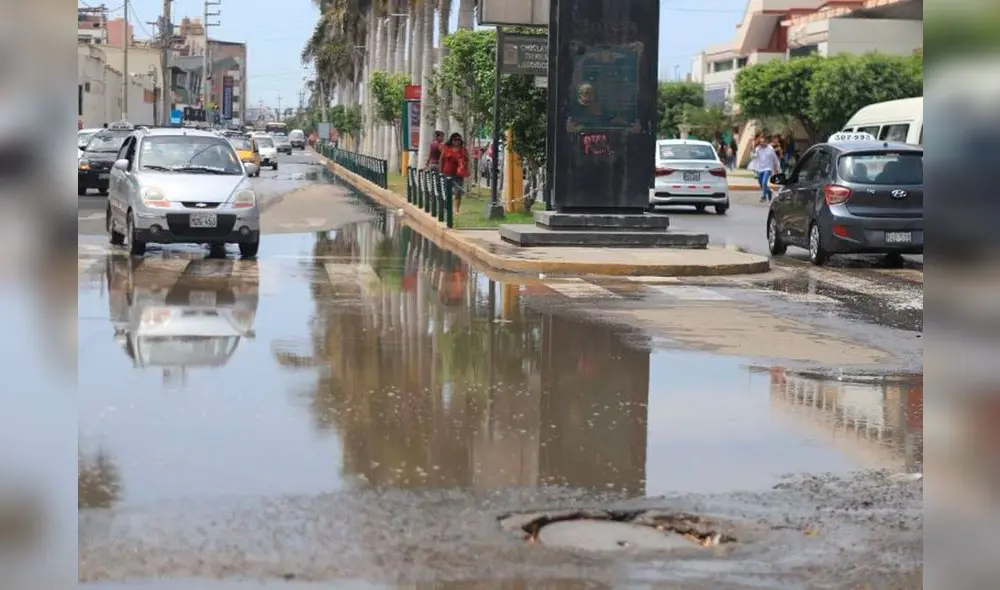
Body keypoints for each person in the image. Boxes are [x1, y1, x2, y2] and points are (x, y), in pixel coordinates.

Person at [439, 132, 470, 215]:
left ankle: (456, 210)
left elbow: (467, 160)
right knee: (446, 192)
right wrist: (440, 172)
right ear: (451, 140)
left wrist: (464, 166)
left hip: (458, 175)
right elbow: (441, 160)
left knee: (458, 192)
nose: (457, 141)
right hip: (446, 173)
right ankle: (446, 208)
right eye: (455, 140)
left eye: (459, 140)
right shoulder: (446, 148)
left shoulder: (463, 150)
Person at [747, 134, 781, 203]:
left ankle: (763, 197)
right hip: (760, 169)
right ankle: (769, 192)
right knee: (761, 184)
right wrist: (752, 148)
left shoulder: (770, 149)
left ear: (766, 142)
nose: (762, 144)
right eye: (761, 142)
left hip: (768, 169)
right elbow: (753, 157)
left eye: (763, 142)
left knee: (764, 183)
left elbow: (775, 158)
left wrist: (777, 168)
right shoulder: (758, 149)